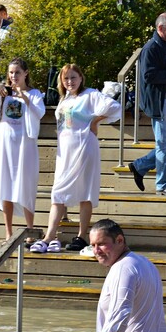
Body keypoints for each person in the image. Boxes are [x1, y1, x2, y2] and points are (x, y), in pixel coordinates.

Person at [32, 64, 121, 254]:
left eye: (73, 77)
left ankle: (81, 236)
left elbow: (114, 106)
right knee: (58, 192)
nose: (70, 82)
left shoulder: (90, 95)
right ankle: (50, 236)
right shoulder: (64, 99)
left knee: (85, 192)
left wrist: (95, 121)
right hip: (65, 151)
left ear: (81, 77)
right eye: (66, 79)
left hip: (84, 147)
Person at [0, 57, 45, 240]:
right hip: (4, 147)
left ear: (26, 73)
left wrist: (25, 98)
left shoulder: (34, 93)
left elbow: (39, 113)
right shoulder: (2, 92)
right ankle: (8, 232)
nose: (13, 76)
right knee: (5, 187)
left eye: (17, 72)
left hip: (24, 148)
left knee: (26, 187)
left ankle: (29, 229)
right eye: (11, 72)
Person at [129, 13, 166, 196]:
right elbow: (149, 76)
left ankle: (140, 166)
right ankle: (163, 185)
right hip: (161, 102)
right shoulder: (151, 48)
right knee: (163, 143)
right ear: (160, 28)